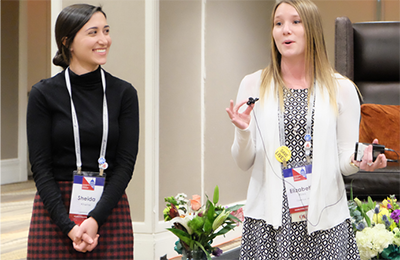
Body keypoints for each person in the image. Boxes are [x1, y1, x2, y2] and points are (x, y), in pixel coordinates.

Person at [226, 0, 387, 259]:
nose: (285, 30)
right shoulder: (253, 84)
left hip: (325, 219)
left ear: (311, 29)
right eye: (278, 24)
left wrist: (359, 161)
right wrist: (243, 131)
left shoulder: (342, 88)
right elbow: (243, 162)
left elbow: (344, 161)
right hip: (270, 220)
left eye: (295, 22)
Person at [26, 4, 139, 259]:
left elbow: (125, 164)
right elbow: (41, 168)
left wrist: (95, 218)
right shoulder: (43, 94)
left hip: (108, 206)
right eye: (93, 32)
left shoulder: (124, 94)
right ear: (68, 42)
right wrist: (68, 226)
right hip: (55, 209)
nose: (104, 40)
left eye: (106, 31)